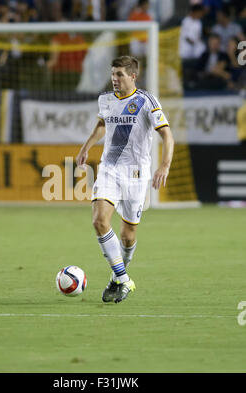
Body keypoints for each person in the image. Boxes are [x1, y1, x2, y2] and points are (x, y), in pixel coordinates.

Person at [76, 56, 174, 303]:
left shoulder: (146, 101)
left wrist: (164, 165)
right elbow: (102, 124)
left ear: (133, 76)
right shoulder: (106, 100)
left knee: (128, 236)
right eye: (113, 74)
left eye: (119, 74)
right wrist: (86, 146)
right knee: (99, 221)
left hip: (136, 175)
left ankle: (116, 277)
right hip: (109, 170)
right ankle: (124, 279)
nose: (114, 79)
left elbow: (167, 135)